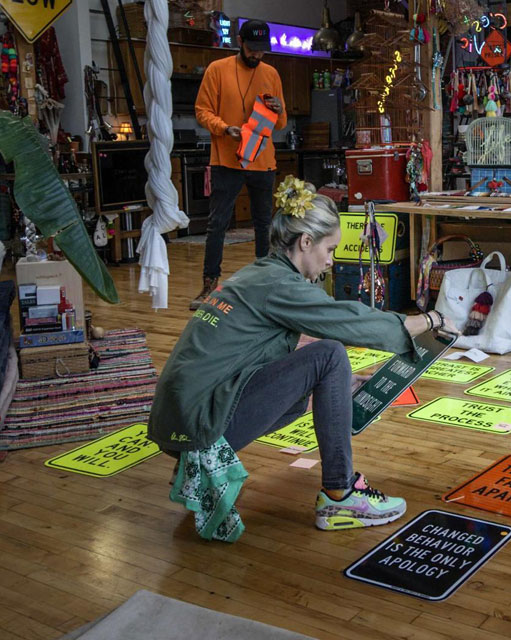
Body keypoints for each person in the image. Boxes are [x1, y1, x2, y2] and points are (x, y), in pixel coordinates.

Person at [148, 178, 451, 540]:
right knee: (329, 354)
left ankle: (192, 466)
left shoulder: (257, 274)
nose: (331, 259)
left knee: (317, 372)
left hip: (178, 417)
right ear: (306, 243)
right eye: (329, 248)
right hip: (198, 421)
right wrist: (424, 321)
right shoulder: (280, 285)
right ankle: (341, 493)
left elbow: (253, 357)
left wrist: (337, 387)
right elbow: (346, 320)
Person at [192, 19, 286, 310]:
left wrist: (280, 111)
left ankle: (264, 284)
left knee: (263, 225)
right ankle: (209, 284)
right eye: (252, 49)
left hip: (262, 159)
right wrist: (223, 128)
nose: (257, 56)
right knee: (217, 224)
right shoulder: (217, 70)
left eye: (261, 51)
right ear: (239, 42)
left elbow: (280, 124)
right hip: (226, 159)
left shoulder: (271, 73)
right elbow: (201, 110)